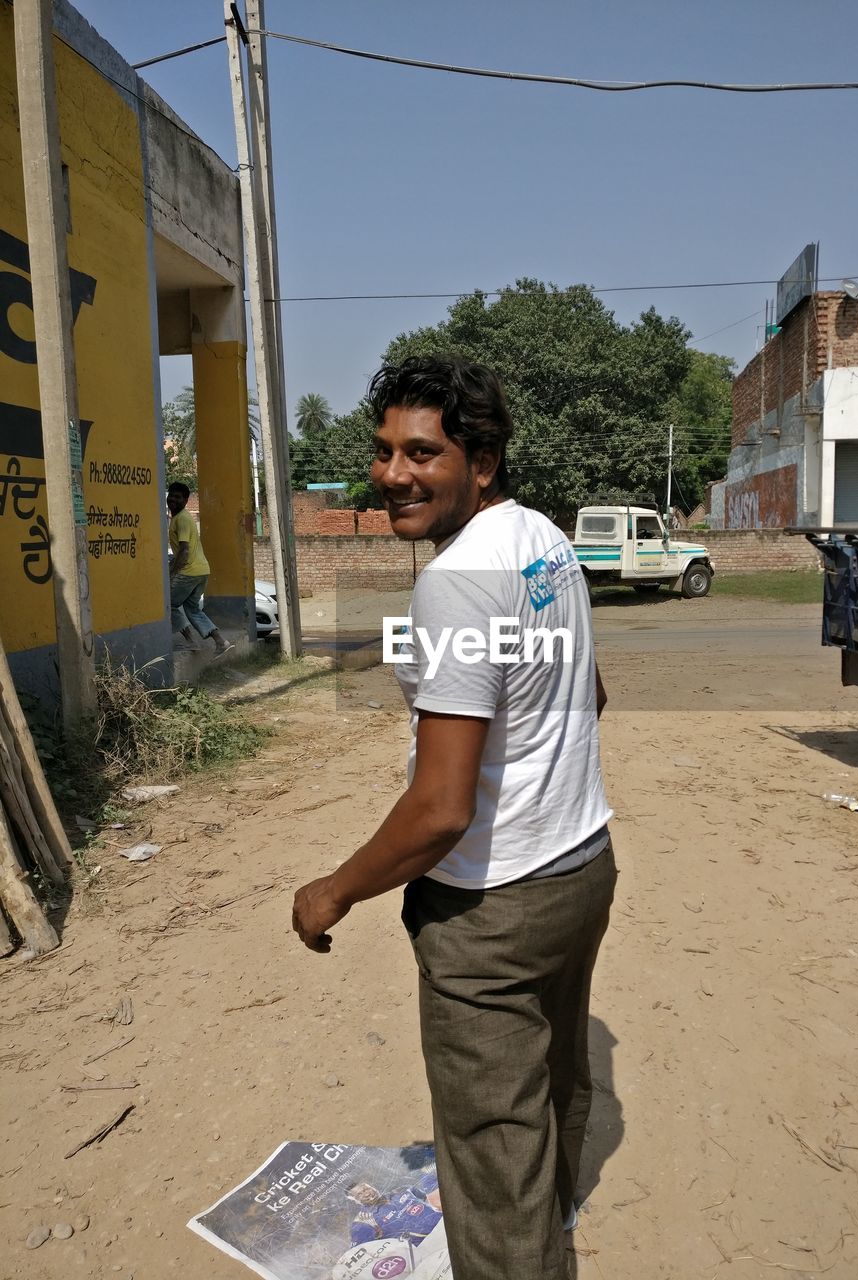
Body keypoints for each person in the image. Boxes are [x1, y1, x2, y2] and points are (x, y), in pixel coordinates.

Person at [292, 356, 615, 1280]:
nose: (392, 473)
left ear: (481, 461)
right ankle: (547, 1233)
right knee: (555, 1090)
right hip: (580, 865)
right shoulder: (542, 539)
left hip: (493, 910)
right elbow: (587, 694)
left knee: (491, 1148)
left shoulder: (459, 580)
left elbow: (439, 812)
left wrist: (331, 892)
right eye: (385, 451)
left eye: (422, 453)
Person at [166, 482, 233, 655]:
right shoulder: (181, 517)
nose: (173, 499)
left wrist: (172, 573)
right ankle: (221, 642)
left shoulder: (181, 519)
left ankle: (191, 641)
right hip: (201, 570)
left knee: (168, 604)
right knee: (193, 609)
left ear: (186, 500)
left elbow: (184, 550)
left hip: (189, 571)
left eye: (178, 497)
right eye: (171, 495)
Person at [346, 1174, 443, 1246]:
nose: (366, 1194)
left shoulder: (404, 1189)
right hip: (428, 1248)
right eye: (359, 1194)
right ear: (355, 1201)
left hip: (445, 1226)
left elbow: (430, 1200)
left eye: (366, 1189)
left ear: (372, 1186)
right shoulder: (362, 1222)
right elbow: (362, 1251)